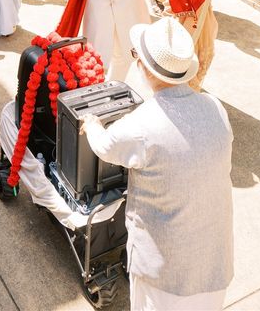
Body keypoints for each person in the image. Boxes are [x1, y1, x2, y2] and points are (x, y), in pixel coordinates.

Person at [82, 18, 233, 311]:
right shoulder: (216, 108)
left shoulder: (142, 124)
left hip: (165, 273)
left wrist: (91, 125)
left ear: (144, 68)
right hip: (215, 263)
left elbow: (104, 147)